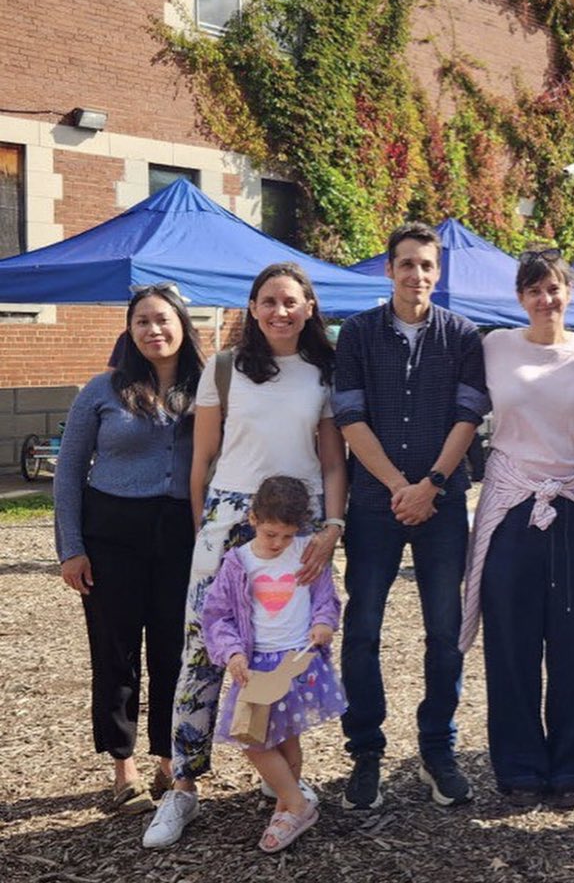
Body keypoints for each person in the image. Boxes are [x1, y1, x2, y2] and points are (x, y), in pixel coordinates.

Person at [144, 262, 347, 848]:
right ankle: (182, 785)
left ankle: (282, 779)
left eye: (291, 301)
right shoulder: (226, 368)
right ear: (253, 309)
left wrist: (331, 527)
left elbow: (333, 461)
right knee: (202, 649)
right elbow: (201, 462)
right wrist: (203, 534)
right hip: (229, 517)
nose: (280, 312)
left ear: (309, 306)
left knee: (283, 644)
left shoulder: (324, 371)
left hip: (300, 521)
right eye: (268, 301)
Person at [333, 222, 487, 811]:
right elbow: (349, 417)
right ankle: (366, 751)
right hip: (374, 504)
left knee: (444, 631)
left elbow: (467, 416)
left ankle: (437, 747)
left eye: (426, 265)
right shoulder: (358, 334)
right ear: (388, 269)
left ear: (437, 272)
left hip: (443, 503)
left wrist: (432, 485)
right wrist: (400, 486)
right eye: (406, 264)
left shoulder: (463, 335)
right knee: (364, 629)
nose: (416, 275)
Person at [460, 248, 574, 808]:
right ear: (520, 297)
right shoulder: (494, 346)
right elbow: (457, 407)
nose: (546, 299)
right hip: (510, 505)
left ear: (569, 292)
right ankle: (520, 766)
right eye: (534, 290)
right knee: (511, 641)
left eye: (554, 288)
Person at [54, 284, 204, 814]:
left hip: (179, 536)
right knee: (115, 653)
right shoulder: (102, 389)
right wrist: (71, 548)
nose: (153, 330)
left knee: (173, 650)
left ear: (182, 325)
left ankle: (168, 759)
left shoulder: (207, 389)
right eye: (141, 321)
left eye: (162, 319)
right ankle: (123, 766)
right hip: (111, 534)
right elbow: (69, 473)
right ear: (130, 330)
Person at [202, 476, 346, 853]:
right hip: (257, 666)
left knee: (287, 740)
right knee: (251, 738)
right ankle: (299, 804)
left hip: (298, 661)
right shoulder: (239, 562)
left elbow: (326, 599)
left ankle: (286, 812)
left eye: (286, 535)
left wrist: (323, 623)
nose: (278, 543)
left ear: (298, 528)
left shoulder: (307, 552)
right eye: (270, 534)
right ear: (252, 518)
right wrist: (232, 652)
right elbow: (217, 617)